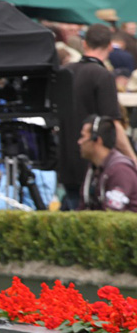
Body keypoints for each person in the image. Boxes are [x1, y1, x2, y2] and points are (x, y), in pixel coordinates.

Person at [58, 23, 137, 210]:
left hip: (65, 162)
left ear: (84, 44)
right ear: (110, 46)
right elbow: (113, 124)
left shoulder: (65, 71)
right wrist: (132, 159)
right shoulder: (102, 75)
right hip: (92, 166)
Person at [78, 114, 137, 212]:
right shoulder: (94, 169)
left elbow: (112, 215)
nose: (79, 142)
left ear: (97, 140)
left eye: (83, 136)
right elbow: (82, 208)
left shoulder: (120, 171)